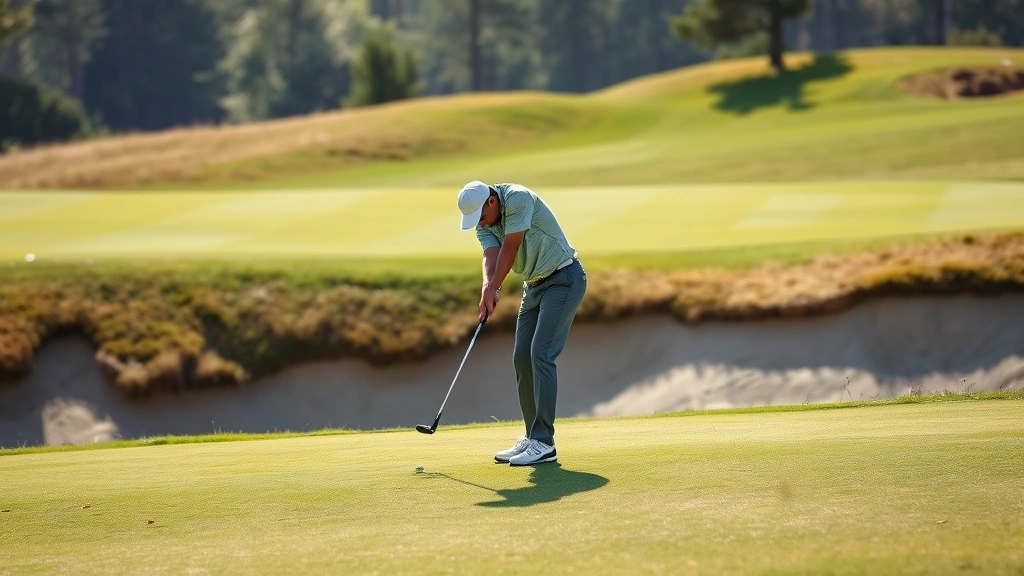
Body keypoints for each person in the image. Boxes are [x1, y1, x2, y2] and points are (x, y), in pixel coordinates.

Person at [456, 181, 587, 466]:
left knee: (541, 353)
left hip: (563, 278)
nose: (480, 224)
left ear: (491, 202)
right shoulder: (485, 220)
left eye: (481, 217)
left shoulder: (517, 199)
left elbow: (510, 248)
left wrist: (495, 287)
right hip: (535, 285)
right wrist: (486, 288)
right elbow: (491, 254)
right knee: (521, 358)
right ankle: (532, 437)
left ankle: (544, 443)